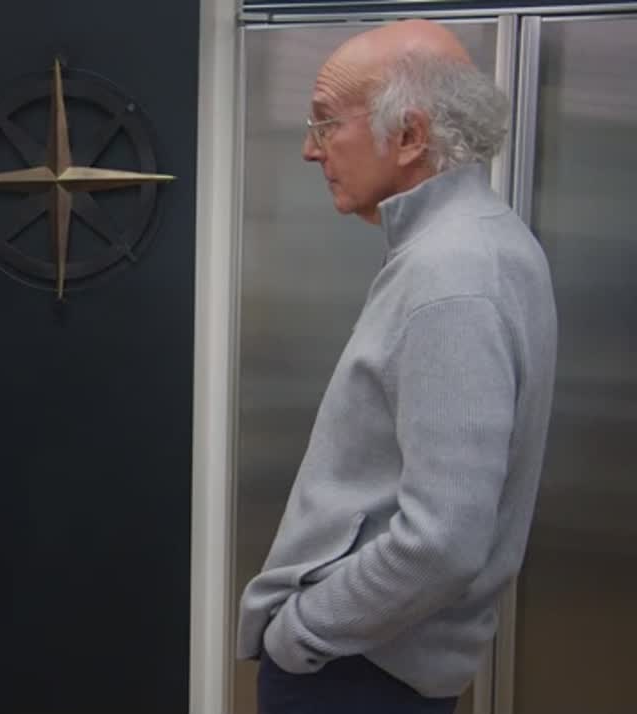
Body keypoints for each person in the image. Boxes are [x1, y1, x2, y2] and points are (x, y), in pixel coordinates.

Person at [236, 19, 558, 714]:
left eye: (327, 123)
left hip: (358, 674)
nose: (310, 149)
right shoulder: (479, 242)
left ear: (410, 136)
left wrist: (302, 632)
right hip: (372, 666)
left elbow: (442, 542)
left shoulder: (452, 273)